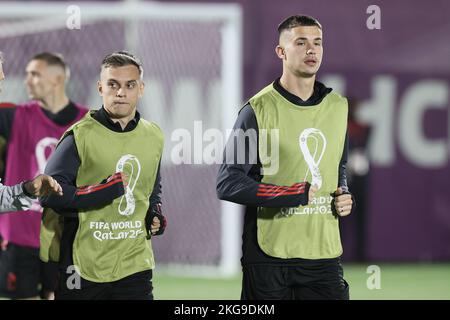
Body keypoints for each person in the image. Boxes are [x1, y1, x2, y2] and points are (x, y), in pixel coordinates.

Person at [217, 15, 354, 300]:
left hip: (322, 254)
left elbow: (338, 164)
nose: (311, 50)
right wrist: (288, 194)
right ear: (281, 51)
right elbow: (228, 182)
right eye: (301, 42)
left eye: (317, 43)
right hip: (269, 256)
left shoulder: (338, 107)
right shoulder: (256, 109)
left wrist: (343, 193)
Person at [41, 51, 166, 300]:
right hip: (83, 266)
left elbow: (151, 190)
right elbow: (48, 195)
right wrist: (103, 191)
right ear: (100, 88)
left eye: (129, 85)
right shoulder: (79, 137)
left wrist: (155, 213)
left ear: (141, 89)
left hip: (135, 265)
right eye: (113, 85)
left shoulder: (154, 136)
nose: (121, 92)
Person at [0, 52, 87, 299]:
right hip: (19, 238)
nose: (27, 80)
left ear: (58, 79)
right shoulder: (14, 115)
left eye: (35, 74)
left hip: (65, 237)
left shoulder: (87, 123)